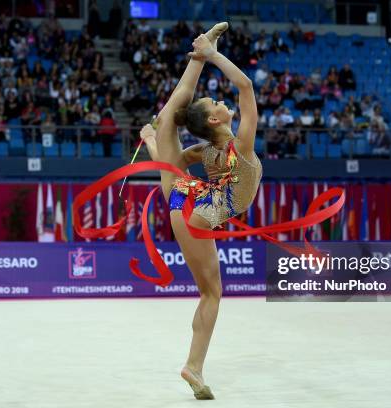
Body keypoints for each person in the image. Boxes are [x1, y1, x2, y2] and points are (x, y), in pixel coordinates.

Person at [140, 22, 261, 400]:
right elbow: (245, 86)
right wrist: (211, 55)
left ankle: (195, 367)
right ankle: (193, 366)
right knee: (211, 294)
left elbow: (172, 163)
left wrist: (152, 145)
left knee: (169, 123)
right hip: (200, 210)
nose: (223, 103)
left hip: (185, 199)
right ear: (214, 121)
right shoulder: (240, 145)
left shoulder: (205, 152)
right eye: (216, 105)